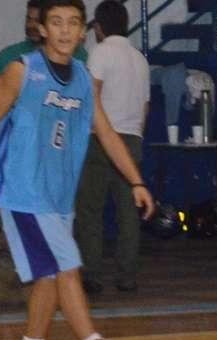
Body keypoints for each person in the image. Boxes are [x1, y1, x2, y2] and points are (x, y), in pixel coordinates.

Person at [0, 0, 154, 340]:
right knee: (66, 266)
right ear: (42, 29)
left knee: (48, 276)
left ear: (83, 31)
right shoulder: (22, 71)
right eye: (56, 22)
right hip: (23, 191)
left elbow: (106, 133)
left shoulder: (83, 79)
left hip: (58, 195)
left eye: (73, 23)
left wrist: (136, 181)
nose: (64, 30)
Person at [74, 0, 150, 294]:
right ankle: (127, 275)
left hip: (100, 138)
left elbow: (91, 96)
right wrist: (137, 137)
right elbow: (145, 106)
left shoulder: (101, 52)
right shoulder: (139, 58)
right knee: (129, 213)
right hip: (132, 138)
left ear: (98, 27)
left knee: (89, 210)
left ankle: (91, 274)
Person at [0, 0, 88, 74]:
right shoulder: (13, 54)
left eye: (36, 20)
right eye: (29, 19)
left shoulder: (79, 58)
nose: (31, 25)